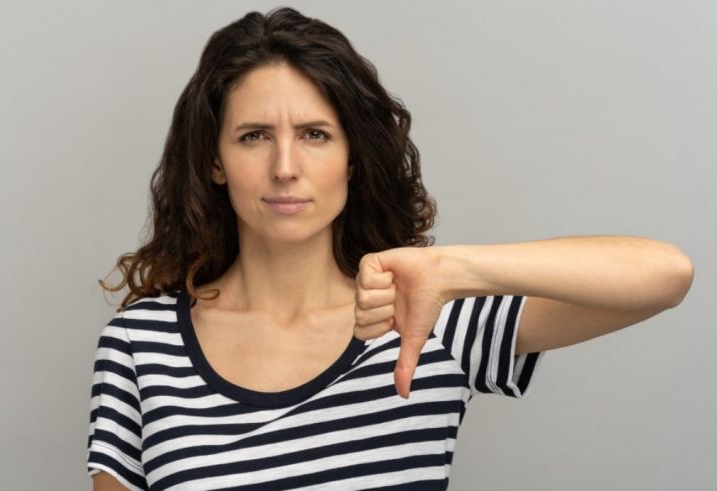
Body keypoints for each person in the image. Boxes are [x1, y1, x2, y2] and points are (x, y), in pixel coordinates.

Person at [85, 7, 694, 491]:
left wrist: (449, 268)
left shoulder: (428, 315)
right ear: (216, 161)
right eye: (254, 137)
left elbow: (665, 274)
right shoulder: (142, 344)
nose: (285, 167)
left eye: (315, 134)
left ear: (352, 159)